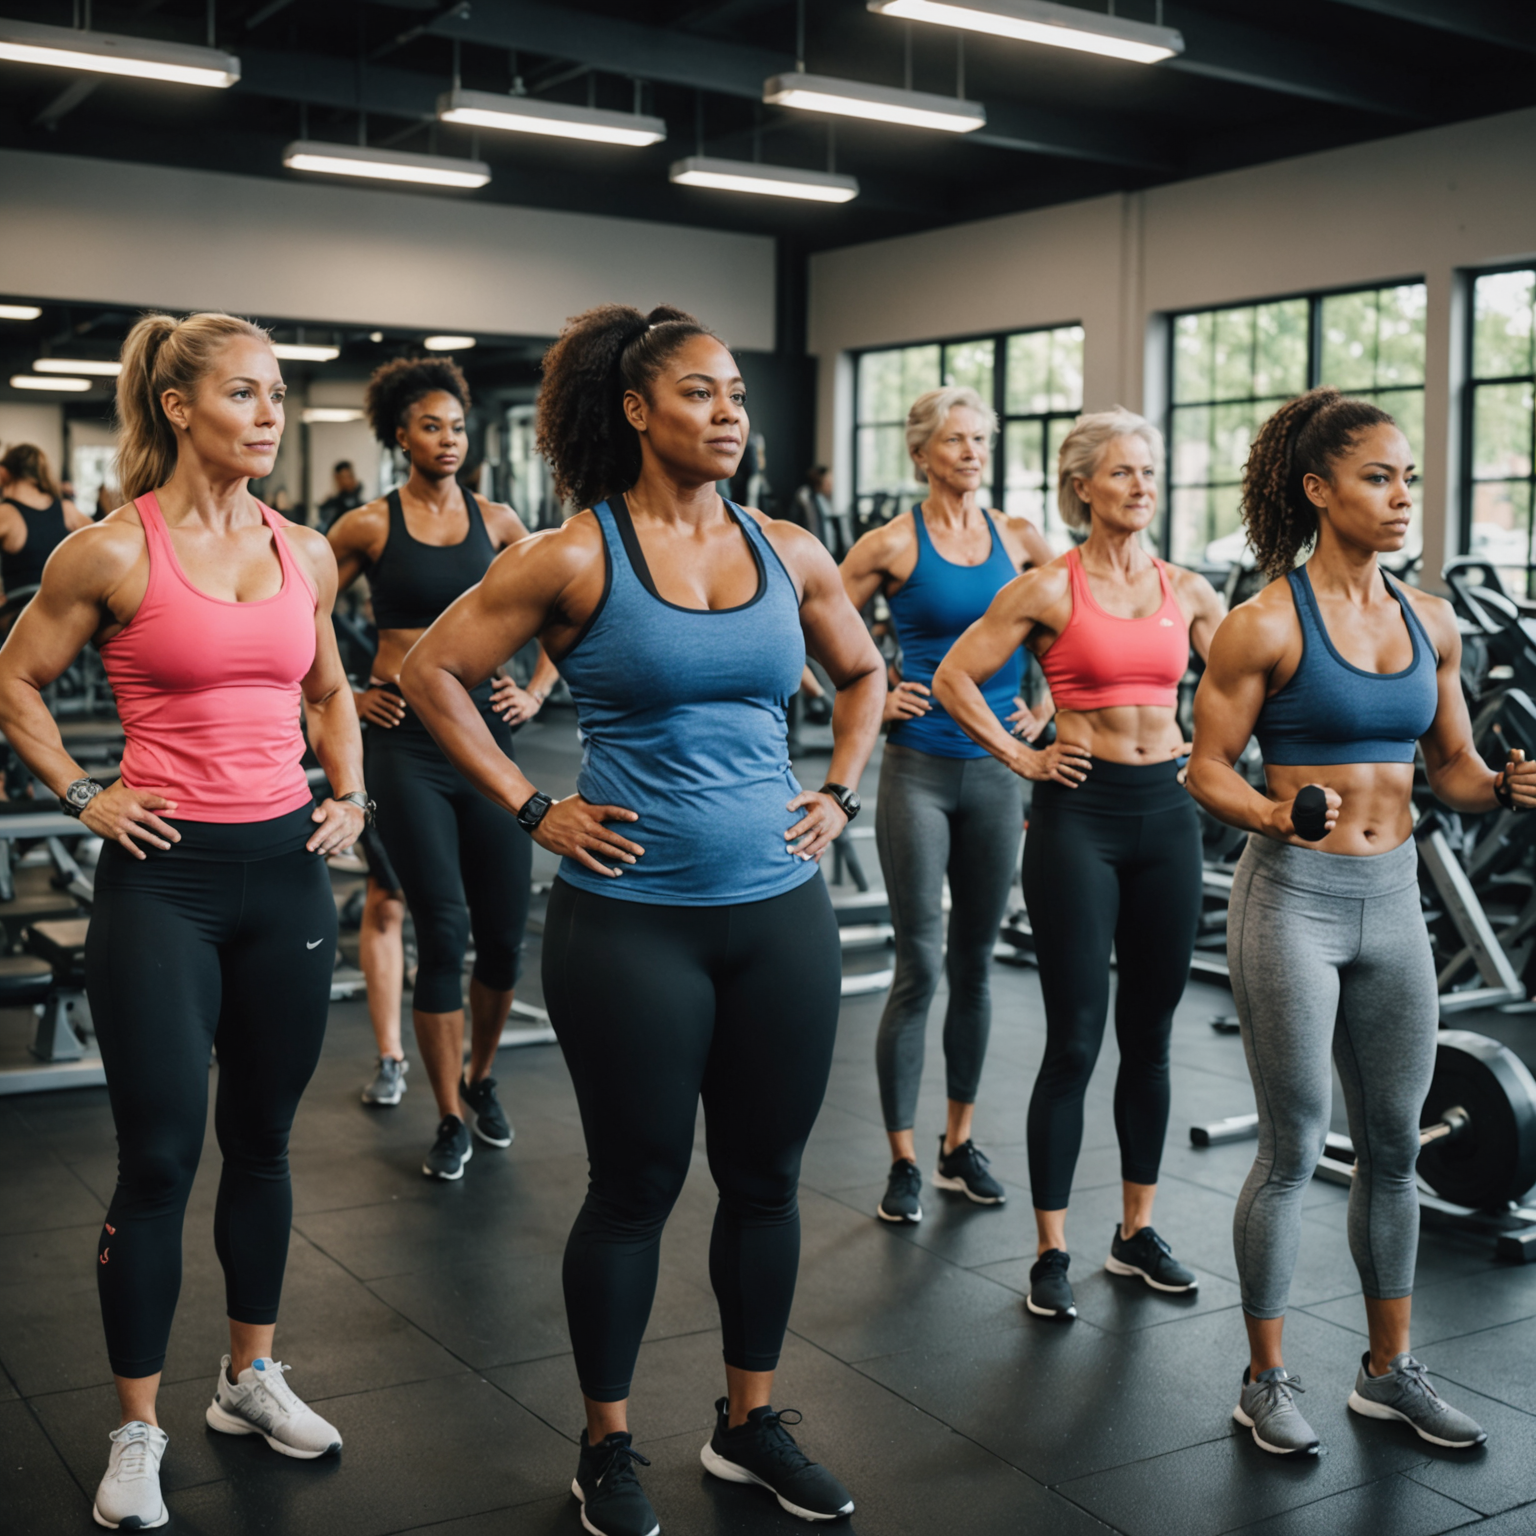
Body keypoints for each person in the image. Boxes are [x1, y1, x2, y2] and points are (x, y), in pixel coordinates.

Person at [401, 303, 885, 1536]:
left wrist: (837, 789)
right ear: (634, 409)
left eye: (737, 395)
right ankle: (608, 1443)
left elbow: (864, 672)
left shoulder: (790, 548)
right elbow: (429, 675)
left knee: (767, 1182)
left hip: (779, 914)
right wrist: (530, 806)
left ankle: (748, 1423)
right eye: (702, 396)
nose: (732, 415)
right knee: (634, 1187)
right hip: (631, 924)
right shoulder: (574, 554)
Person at [0, 312, 369, 1529]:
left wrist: (351, 794)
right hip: (163, 883)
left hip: (285, 878)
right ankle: (139, 1428)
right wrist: (81, 792)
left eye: (279, 396)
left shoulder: (303, 549)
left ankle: (246, 1378)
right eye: (249, 395)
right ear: (179, 406)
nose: (272, 414)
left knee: (262, 1142)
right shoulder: (110, 551)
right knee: (159, 1156)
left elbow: (328, 688)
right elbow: (13, 677)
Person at [1188, 387, 1500, 1457]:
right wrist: (1277, 810)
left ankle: (1387, 1371)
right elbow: (1206, 769)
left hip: (1394, 903)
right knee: (1287, 1150)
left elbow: (1451, 769)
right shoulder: (1264, 622)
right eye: (1379, 476)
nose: (1403, 495)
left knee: (1394, 1151)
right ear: (1319, 490)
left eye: (1409, 475)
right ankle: (1266, 1378)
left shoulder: (1431, 619)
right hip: (1295, 899)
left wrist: (1505, 786)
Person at [933, 407, 1223, 1321]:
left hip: (1168, 818)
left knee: (1152, 1034)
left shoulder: (1193, 591)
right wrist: (1022, 757)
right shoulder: (1047, 589)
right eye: (1124, 473)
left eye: (1150, 472)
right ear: (1083, 488)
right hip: (1077, 819)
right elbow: (951, 679)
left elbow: (1251, 688)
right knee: (1075, 1039)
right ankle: (1052, 1247)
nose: (1141, 486)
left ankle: (1135, 1233)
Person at [328, 356, 558, 1178]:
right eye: (431, 426)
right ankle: (449, 1114)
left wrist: (535, 688)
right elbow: (296, 610)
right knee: (444, 926)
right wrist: (346, 696)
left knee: (501, 938)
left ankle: (483, 1077)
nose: (448, 439)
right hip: (403, 746)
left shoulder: (500, 524)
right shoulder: (367, 526)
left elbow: (565, 606)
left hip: (485, 741)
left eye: (457, 426)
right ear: (400, 436)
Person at [840, 385, 1053, 1226]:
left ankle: (958, 1144)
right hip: (920, 768)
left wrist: (1051, 708)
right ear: (922, 453)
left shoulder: (1023, 539)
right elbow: (812, 621)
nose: (971, 453)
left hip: (1000, 768)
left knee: (977, 959)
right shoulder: (891, 543)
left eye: (981, 441)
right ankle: (900, 1158)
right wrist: (868, 689)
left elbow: (1071, 627)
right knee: (920, 963)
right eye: (956, 441)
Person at [0, 443, 90, 599]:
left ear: (4, 473)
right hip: (62, 604)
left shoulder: (5, 513)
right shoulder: (67, 509)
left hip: (21, 609)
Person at [318, 459, 365, 530]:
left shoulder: (361, 506)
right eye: (343, 477)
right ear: (337, 479)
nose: (346, 481)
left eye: (349, 476)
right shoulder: (330, 507)